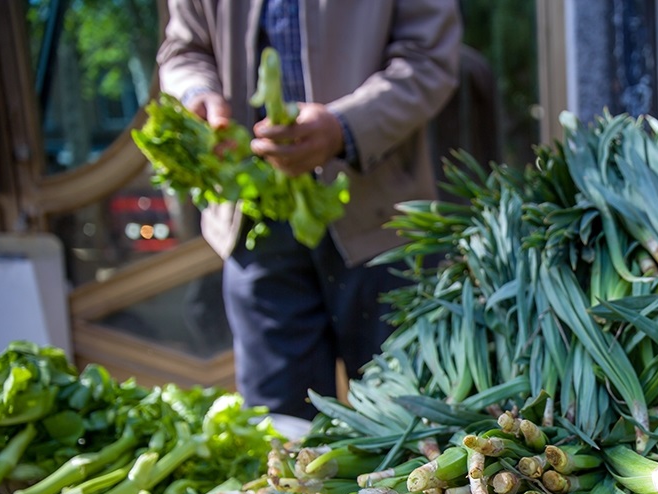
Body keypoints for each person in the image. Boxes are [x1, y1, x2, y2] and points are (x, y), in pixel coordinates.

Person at [157, 0, 462, 420]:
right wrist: (197, 95)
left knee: (406, 422)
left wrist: (345, 127)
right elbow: (183, 50)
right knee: (280, 430)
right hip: (254, 222)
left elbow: (429, 57)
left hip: (380, 220)